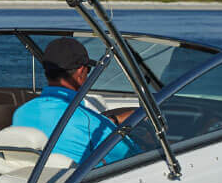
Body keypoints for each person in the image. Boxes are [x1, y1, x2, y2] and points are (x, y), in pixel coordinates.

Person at [11, 37, 142, 166]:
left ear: (47, 73)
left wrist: (111, 121)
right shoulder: (90, 123)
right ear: (81, 72)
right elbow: (135, 156)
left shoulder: (21, 113)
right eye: (88, 70)